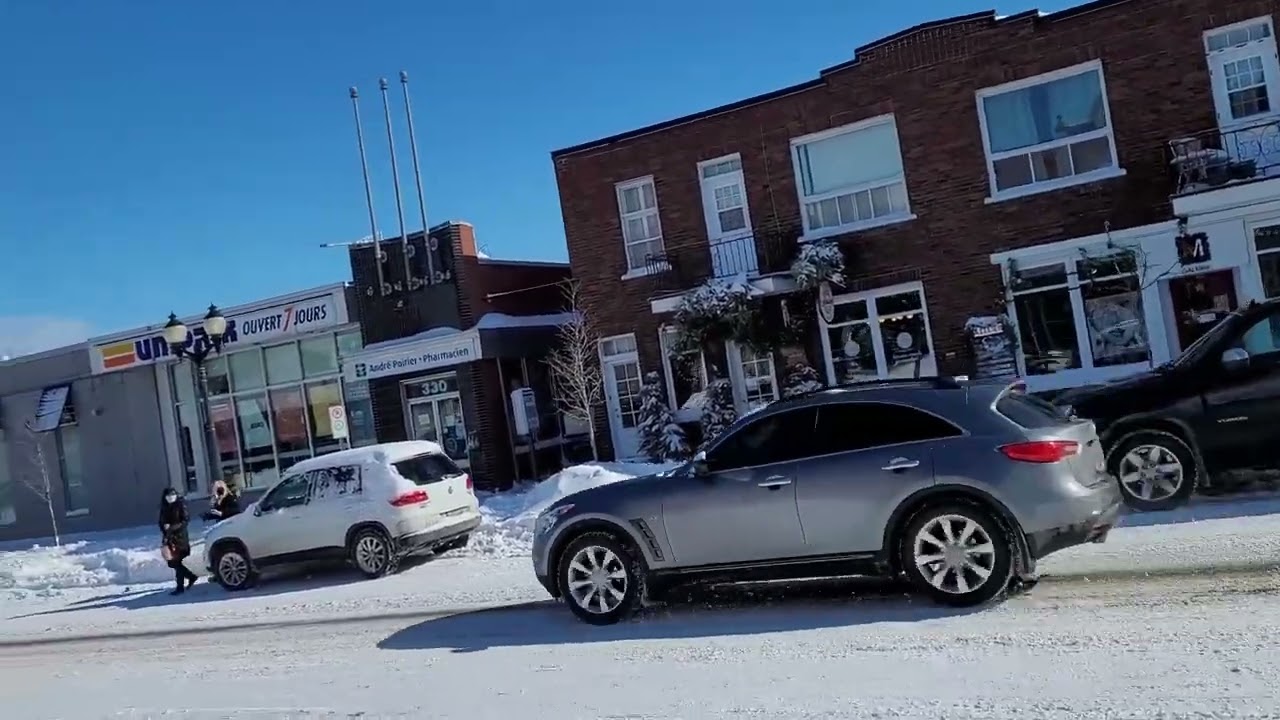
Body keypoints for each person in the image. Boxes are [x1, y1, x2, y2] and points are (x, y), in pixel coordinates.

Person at [159, 487, 199, 595]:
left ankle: (180, 586)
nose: (170, 498)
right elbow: (161, 521)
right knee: (172, 562)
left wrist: (172, 527)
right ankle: (191, 576)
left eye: (172, 495)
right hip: (169, 538)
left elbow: (185, 520)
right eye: (168, 496)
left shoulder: (180, 505)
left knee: (177, 561)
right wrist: (165, 528)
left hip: (180, 537)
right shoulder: (164, 507)